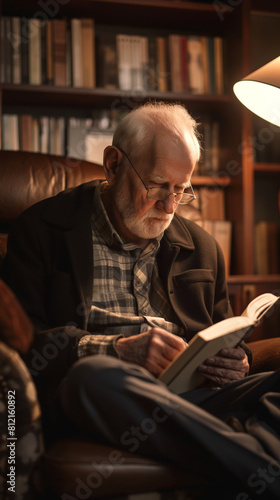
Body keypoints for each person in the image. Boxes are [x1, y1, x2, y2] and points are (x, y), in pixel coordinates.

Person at [2, 102, 280, 498]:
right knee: (92, 378)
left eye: (181, 190)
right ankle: (259, 464)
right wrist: (118, 351)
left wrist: (239, 362)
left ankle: (246, 463)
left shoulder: (202, 248)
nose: (169, 207)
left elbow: (222, 334)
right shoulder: (41, 230)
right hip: (102, 398)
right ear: (113, 165)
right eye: (156, 185)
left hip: (192, 401)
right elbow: (24, 345)